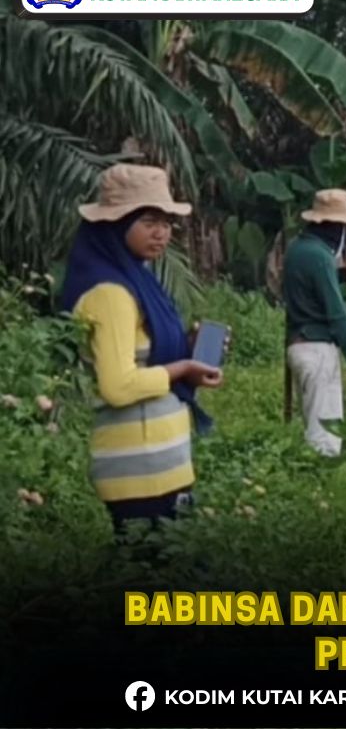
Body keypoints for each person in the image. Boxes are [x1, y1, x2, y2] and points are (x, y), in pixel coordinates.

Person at [62, 163, 224, 535]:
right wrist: (181, 369)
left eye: (167, 223)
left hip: (160, 462)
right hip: (138, 469)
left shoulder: (137, 279)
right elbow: (118, 386)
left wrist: (188, 349)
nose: (162, 233)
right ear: (117, 225)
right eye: (149, 221)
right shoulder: (110, 294)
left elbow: (142, 357)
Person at [282, 189, 346, 457]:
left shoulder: (296, 249)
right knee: (325, 438)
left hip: (297, 346)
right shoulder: (320, 258)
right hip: (317, 350)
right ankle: (320, 491)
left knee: (312, 425)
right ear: (337, 228)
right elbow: (337, 313)